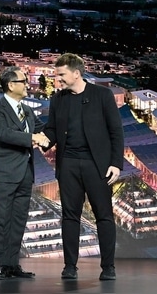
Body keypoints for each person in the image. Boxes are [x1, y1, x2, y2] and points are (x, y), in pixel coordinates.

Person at [42, 53, 124, 281]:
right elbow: (52, 130)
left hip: (97, 166)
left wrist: (116, 163)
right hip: (68, 165)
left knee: (104, 217)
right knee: (70, 216)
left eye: (61, 74)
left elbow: (116, 132)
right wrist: (42, 140)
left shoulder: (102, 95)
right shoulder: (58, 98)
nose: (57, 79)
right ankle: (70, 266)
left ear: (76, 73)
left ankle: (108, 267)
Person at [0, 66, 49, 280]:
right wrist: (34, 138)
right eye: (23, 81)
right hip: (4, 174)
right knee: (2, 220)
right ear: (11, 85)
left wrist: (64, 128)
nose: (27, 85)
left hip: (25, 174)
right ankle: (3, 265)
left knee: (18, 220)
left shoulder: (28, 110)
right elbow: (3, 134)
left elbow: (44, 131)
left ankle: (13, 265)